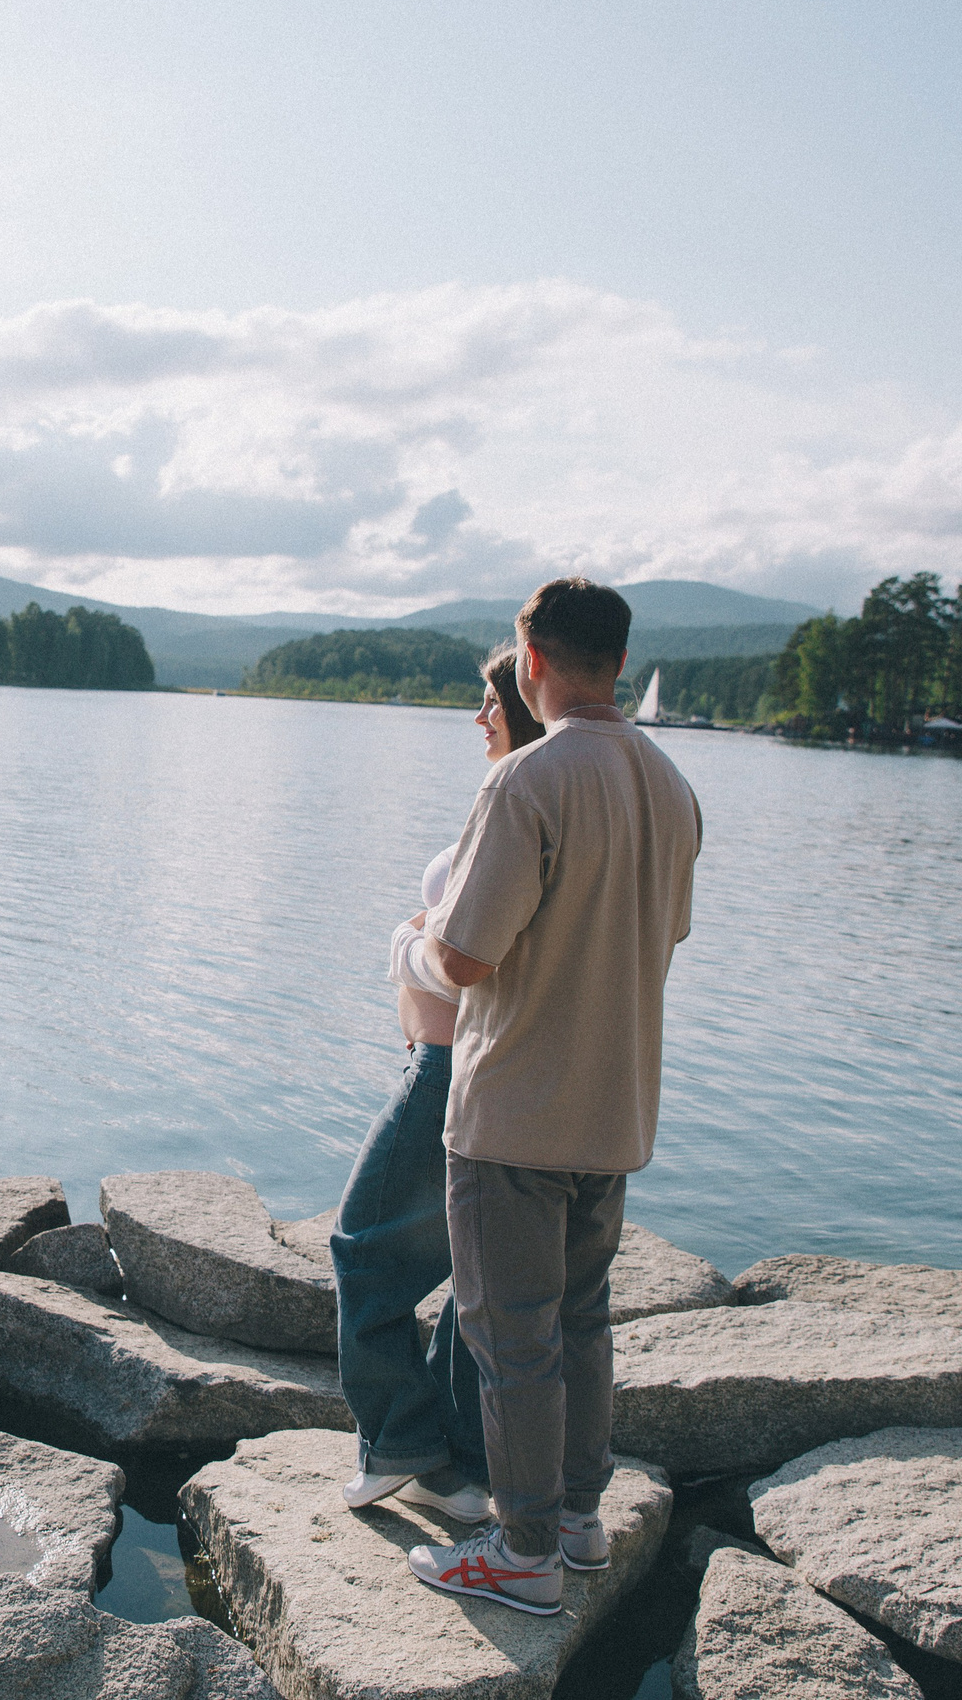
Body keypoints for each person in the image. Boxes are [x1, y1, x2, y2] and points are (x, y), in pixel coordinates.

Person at [394, 577, 701, 1616]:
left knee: (506, 1333)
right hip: (615, 1109)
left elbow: (467, 958)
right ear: (617, 659)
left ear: (531, 661)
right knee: (579, 1320)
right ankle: (574, 1518)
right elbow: (663, 934)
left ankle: (521, 1548)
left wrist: (411, 942)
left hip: (515, 1106)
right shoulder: (670, 784)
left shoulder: (527, 779)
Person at [330, 645, 545, 1524]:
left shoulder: (515, 801)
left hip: (449, 1070)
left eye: (489, 700)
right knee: (468, 1269)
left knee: (363, 1249)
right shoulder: (537, 798)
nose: (478, 715)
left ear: (521, 701)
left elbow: (470, 967)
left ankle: (405, 1443)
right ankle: (456, 1461)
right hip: (489, 1070)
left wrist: (402, 941)